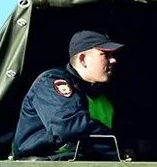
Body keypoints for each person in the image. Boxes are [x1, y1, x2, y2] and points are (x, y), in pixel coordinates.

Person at [12, 31, 125, 160]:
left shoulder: (103, 98)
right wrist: (114, 149)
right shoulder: (51, 82)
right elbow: (69, 126)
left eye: (112, 55)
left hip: (88, 166)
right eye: (105, 54)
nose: (113, 60)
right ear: (83, 59)